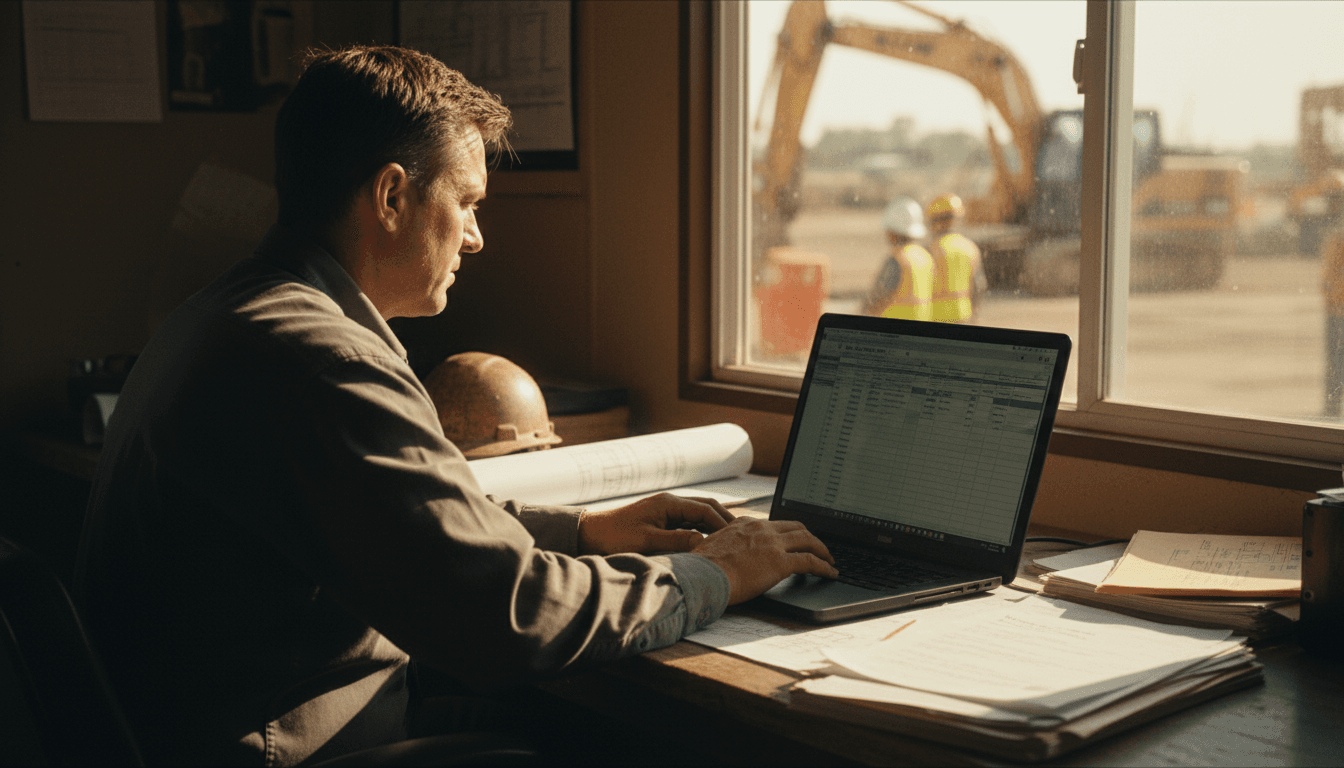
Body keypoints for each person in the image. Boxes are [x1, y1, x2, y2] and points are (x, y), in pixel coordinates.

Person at [73, 45, 836, 767]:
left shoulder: (226, 314)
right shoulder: (330, 365)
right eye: (467, 202)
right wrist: (718, 575)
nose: (475, 238)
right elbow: (513, 618)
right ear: (393, 196)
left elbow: (408, 524)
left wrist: (583, 529)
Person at [861, 196, 934, 319]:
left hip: (894, 329)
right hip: (919, 329)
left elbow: (879, 299)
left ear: (894, 231)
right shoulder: (925, 257)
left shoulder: (898, 259)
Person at [925, 193, 987, 323]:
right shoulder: (971, 247)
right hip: (963, 315)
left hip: (935, 317)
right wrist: (974, 315)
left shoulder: (931, 249)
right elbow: (979, 286)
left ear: (936, 221)